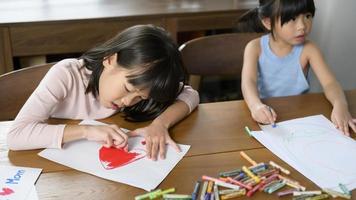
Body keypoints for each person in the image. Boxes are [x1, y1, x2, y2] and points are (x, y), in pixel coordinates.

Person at [7, 24, 199, 160]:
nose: (128, 102)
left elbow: (190, 94)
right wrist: (86, 131)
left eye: (141, 97)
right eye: (127, 89)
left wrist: (160, 124)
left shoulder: (138, 85)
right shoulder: (67, 75)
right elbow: (16, 136)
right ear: (110, 60)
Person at [238, 0, 356, 135]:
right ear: (268, 22)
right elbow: (248, 82)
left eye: (307, 16)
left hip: (300, 116)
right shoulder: (254, 48)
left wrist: (340, 105)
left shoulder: (309, 49)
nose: (302, 26)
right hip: (266, 115)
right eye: (293, 18)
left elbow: (330, 83)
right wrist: (255, 106)